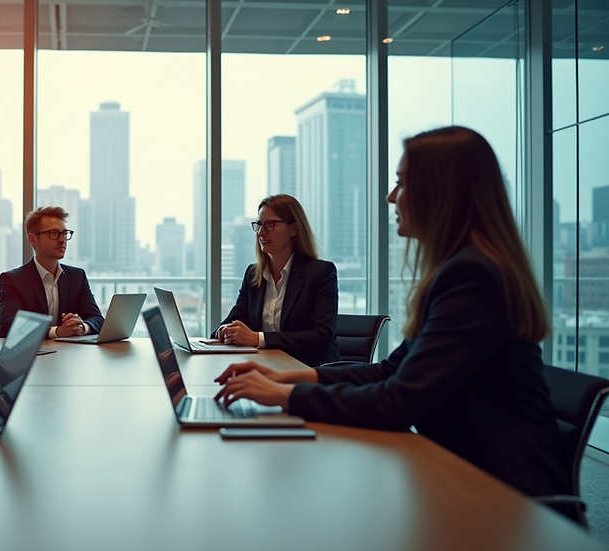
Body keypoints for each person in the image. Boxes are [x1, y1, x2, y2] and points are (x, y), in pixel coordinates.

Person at [214, 126, 569, 498]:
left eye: (402, 183)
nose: (391, 196)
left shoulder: (472, 275)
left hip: (503, 497)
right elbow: (390, 370)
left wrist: (282, 396)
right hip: (457, 472)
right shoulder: (463, 269)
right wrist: (284, 379)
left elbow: (399, 400)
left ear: (441, 191)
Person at [213, 194, 340, 366]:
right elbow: (233, 320)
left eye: (270, 224)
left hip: (309, 371)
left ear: (293, 229)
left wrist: (258, 338)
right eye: (258, 225)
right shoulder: (253, 274)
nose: (261, 232)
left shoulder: (320, 272)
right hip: (265, 368)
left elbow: (321, 335)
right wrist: (225, 331)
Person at [0, 206, 104, 338]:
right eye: (53, 233)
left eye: (65, 233)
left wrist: (82, 327)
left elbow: (97, 319)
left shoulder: (77, 277)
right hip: (33, 355)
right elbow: (10, 325)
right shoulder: (13, 280)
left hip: (71, 354)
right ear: (32, 239)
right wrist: (57, 332)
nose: (62, 240)